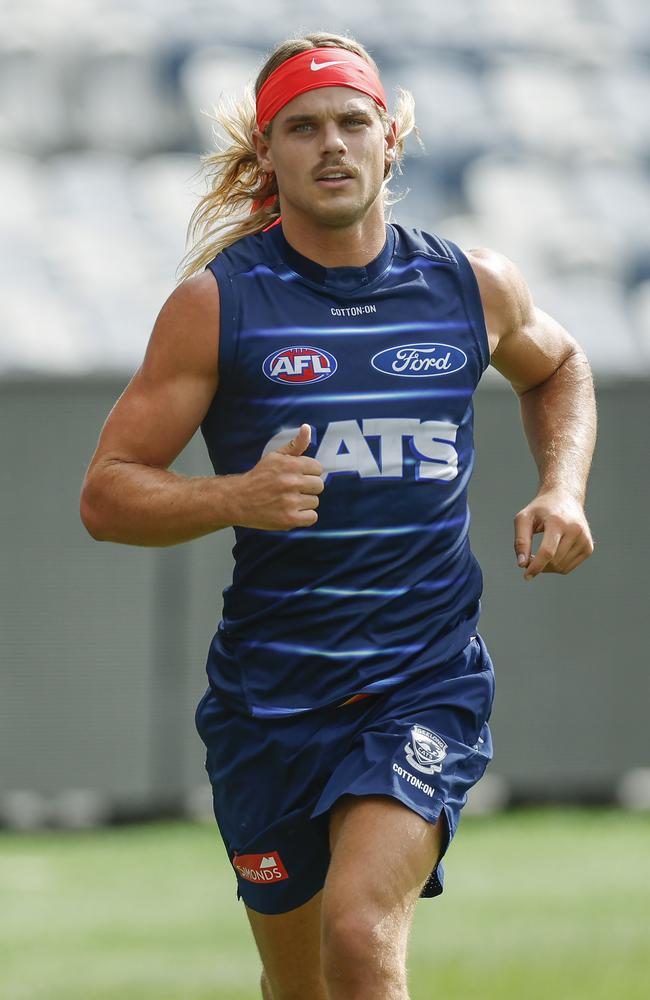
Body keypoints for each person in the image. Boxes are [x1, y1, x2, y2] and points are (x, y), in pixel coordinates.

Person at [80, 31, 596, 1000]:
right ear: (265, 152)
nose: (331, 144)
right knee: (299, 979)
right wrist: (233, 497)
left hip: (420, 680)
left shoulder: (468, 284)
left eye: (351, 122)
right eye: (302, 127)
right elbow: (107, 492)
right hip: (268, 698)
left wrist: (559, 485)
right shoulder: (215, 306)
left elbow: (558, 365)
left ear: (388, 139)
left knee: (359, 937)